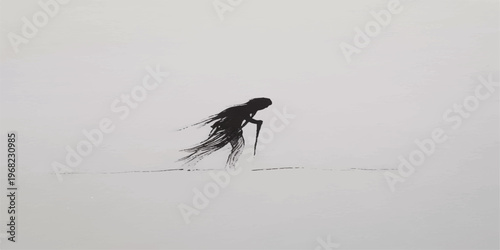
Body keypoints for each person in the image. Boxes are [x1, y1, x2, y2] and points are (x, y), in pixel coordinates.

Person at [179, 97, 272, 169]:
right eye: (265, 106)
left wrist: (256, 122)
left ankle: (231, 166)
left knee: (239, 147)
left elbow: (245, 119)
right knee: (210, 147)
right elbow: (246, 118)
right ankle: (190, 163)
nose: (265, 108)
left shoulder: (251, 110)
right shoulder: (244, 108)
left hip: (235, 131)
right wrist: (257, 122)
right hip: (225, 130)